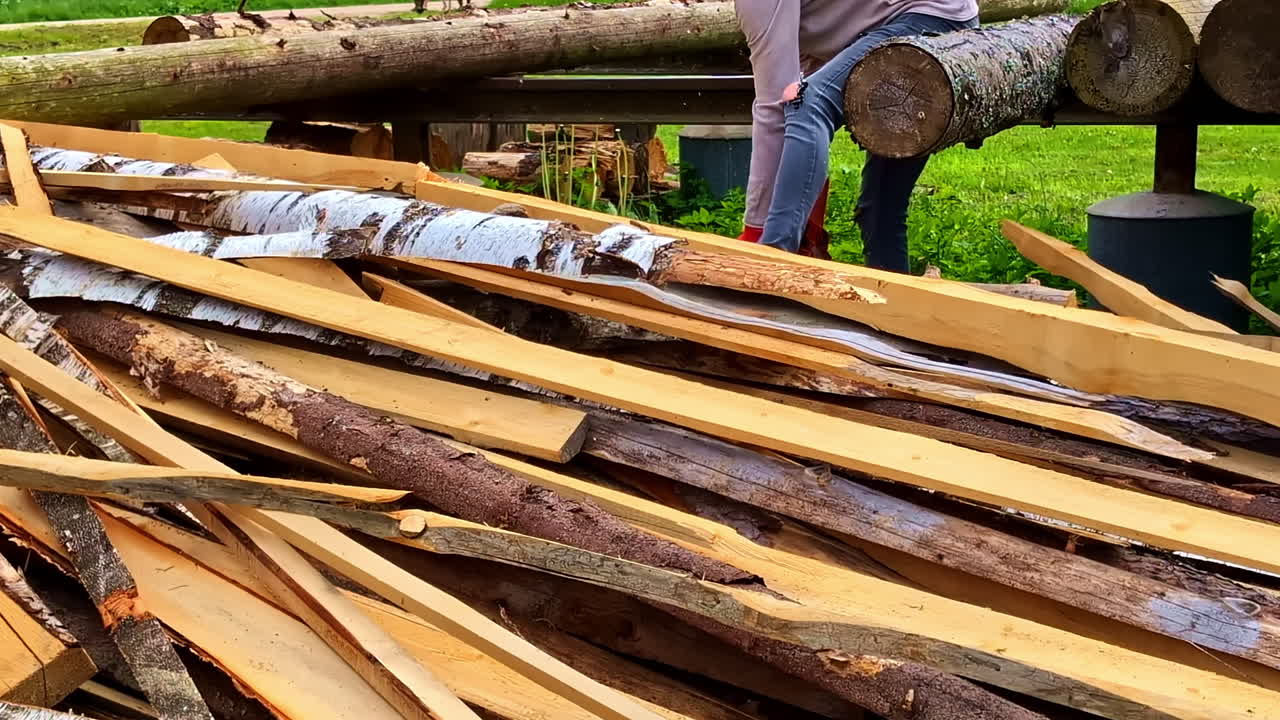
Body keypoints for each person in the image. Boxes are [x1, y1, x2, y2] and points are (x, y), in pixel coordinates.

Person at [735, 0, 978, 270]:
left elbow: (777, 108)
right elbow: (803, 73)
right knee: (881, 207)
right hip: (948, 18)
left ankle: (774, 258)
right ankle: (890, 295)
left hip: (924, 22)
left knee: (808, 103)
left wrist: (755, 230)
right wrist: (810, 226)